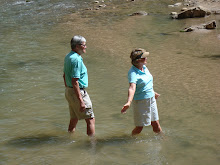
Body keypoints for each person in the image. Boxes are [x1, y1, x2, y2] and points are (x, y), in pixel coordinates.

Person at [121, 48, 162, 136]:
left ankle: (162, 139)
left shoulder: (144, 67)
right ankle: (131, 140)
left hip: (151, 99)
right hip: (141, 102)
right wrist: (129, 102)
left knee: (156, 123)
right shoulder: (133, 73)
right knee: (140, 127)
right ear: (139, 60)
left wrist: (153, 92)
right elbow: (132, 88)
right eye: (144, 57)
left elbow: (147, 81)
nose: (146, 58)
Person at [63, 35, 95, 136]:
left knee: (74, 118)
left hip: (69, 91)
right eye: (84, 45)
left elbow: (64, 75)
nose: (85, 47)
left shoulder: (68, 56)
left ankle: (69, 137)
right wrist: (81, 100)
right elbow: (75, 81)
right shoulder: (76, 59)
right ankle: (92, 144)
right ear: (77, 46)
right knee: (90, 119)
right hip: (78, 92)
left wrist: (69, 89)